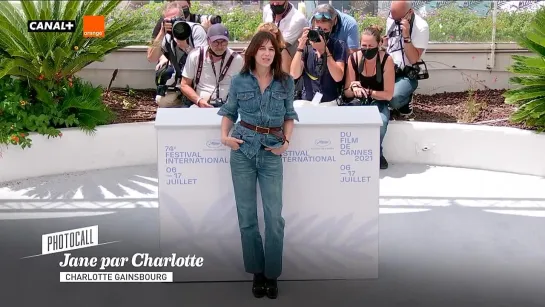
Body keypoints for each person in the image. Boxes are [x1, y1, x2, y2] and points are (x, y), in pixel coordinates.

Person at [217, 31, 298, 300]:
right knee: (247, 217)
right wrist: (225, 138)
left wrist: (286, 141)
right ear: (253, 52)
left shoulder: (285, 82)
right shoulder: (240, 81)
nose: (267, 53)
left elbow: (289, 115)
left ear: (276, 53)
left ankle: (272, 274)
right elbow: (229, 112)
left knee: (274, 217)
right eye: (262, 48)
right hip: (242, 149)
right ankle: (257, 273)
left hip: (271, 152)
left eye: (271, 49)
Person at [343, 26, 395, 170]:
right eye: (364, 46)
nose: (367, 49)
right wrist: (354, 88)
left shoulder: (387, 60)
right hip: (359, 101)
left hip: (379, 100)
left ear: (379, 44)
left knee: (381, 121)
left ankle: (377, 152)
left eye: (371, 46)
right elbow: (347, 92)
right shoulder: (353, 58)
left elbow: (388, 94)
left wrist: (368, 91)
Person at [146, 1, 209, 108]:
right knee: (162, 101)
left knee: (206, 98)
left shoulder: (195, 30)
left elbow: (203, 61)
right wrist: (161, 33)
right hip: (181, 81)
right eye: (169, 20)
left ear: (183, 17)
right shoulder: (167, 35)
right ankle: (185, 105)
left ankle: (191, 103)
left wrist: (185, 47)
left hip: (198, 80)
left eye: (175, 19)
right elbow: (151, 58)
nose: (173, 23)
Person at [290, 4, 348, 106]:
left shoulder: (338, 45)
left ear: (332, 28)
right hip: (306, 100)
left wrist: (324, 51)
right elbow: (294, 74)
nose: (320, 34)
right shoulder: (307, 46)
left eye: (325, 31)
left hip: (329, 101)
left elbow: (338, 77)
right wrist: (300, 47)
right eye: (318, 30)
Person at [384, 0, 429, 117]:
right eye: (392, 16)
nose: (395, 21)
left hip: (407, 73)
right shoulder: (391, 18)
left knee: (393, 99)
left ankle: (406, 97)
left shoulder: (421, 27)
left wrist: (407, 37)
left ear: (410, 12)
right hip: (389, 69)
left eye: (398, 19)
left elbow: (414, 59)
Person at [181, 24, 243, 108]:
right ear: (208, 40)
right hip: (201, 105)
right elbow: (184, 85)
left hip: (229, 106)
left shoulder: (237, 59)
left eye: (223, 42)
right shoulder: (196, 56)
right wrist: (198, 100)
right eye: (216, 42)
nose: (220, 46)